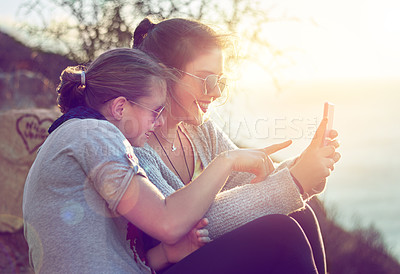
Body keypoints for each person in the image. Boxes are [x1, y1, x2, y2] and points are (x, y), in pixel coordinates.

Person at [22, 48, 294, 273]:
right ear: (120, 107)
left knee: (285, 230)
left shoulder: (78, 134)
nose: (160, 121)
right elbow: (168, 223)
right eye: (155, 111)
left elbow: (108, 259)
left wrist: (166, 254)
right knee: (281, 234)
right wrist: (227, 160)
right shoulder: (93, 133)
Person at [131, 17, 341, 273]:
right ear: (163, 75)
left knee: (301, 213)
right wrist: (295, 181)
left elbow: (249, 186)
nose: (217, 92)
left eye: (220, 82)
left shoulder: (200, 130)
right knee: (281, 233)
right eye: (207, 80)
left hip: (205, 258)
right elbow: (184, 230)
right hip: (167, 266)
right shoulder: (136, 144)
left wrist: (301, 166)